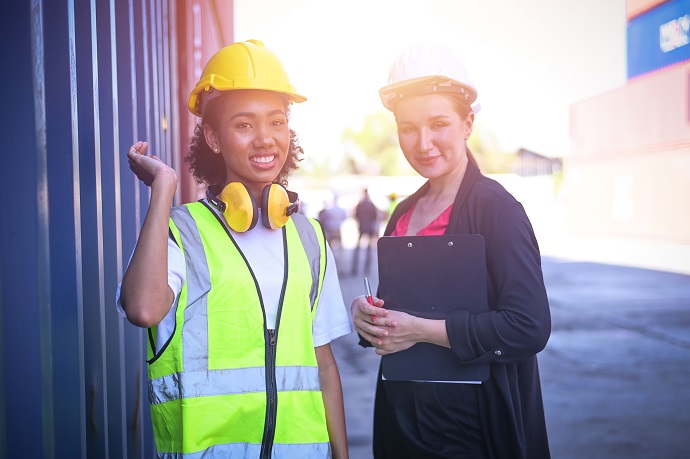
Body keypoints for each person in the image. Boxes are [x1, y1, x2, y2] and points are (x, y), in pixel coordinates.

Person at [118, 39, 352, 458]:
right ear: (213, 136)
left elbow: (324, 363)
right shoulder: (184, 232)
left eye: (277, 122)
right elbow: (142, 309)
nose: (265, 139)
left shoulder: (310, 237)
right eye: (244, 125)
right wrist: (163, 191)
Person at [350, 43, 552, 458]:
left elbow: (528, 327)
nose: (422, 143)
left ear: (467, 124)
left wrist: (421, 330)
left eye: (438, 123)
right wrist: (369, 317)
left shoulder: (497, 210)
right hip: (404, 419)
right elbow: (397, 318)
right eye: (408, 127)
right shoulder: (402, 214)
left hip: (475, 429)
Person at [350, 188, 380, 275]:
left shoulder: (360, 205)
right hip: (369, 228)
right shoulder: (371, 205)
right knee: (368, 249)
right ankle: (367, 268)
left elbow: (355, 215)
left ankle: (355, 268)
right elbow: (375, 217)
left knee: (358, 248)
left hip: (361, 227)